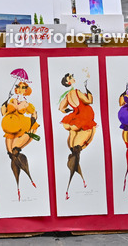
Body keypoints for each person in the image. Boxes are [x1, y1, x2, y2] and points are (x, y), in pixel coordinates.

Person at [57, 70, 96, 199]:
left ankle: (74, 179)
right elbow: (89, 101)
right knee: (78, 145)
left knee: (74, 146)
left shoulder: (67, 95)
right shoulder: (77, 91)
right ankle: (77, 177)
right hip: (83, 117)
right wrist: (88, 90)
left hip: (73, 118)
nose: (73, 77)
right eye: (71, 77)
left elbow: (61, 108)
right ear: (69, 82)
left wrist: (70, 110)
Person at [0, 76, 39, 200]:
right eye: (18, 87)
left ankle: (23, 181)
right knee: (10, 152)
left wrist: (33, 121)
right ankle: (17, 185)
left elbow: (34, 113)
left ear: (26, 90)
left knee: (15, 150)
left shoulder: (27, 103)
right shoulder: (11, 100)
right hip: (10, 127)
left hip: (21, 126)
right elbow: (3, 112)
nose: (19, 89)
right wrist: (6, 102)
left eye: (23, 87)